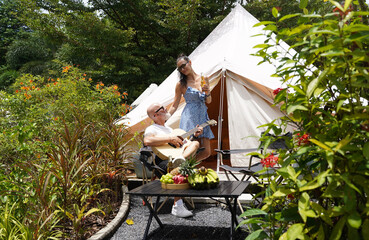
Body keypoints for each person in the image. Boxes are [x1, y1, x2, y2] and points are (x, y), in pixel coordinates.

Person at [143, 103, 203, 218]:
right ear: (155, 115)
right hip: (160, 160)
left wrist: (194, 135)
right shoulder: (152, 128)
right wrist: (170, 138)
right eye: (163, 108)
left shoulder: (170, 129)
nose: (166, 109)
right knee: (180, 168)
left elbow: (184, 145)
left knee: (195, 143)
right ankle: (177, 207)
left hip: (176, 156)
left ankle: (181, 159)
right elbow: (147, 141)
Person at [168, 54, 214, 161]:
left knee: (207, 152)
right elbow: (175, 105)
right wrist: (165, 118)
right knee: (190, 148)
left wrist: (207, 91)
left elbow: (209, 100)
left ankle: (184, 165)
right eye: (180, 68)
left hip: (203, 116)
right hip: (189, 118)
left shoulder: (204, 79)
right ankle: (185, 169)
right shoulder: (180, 84)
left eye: (184, 65)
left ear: (190, 62)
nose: (183, 69)